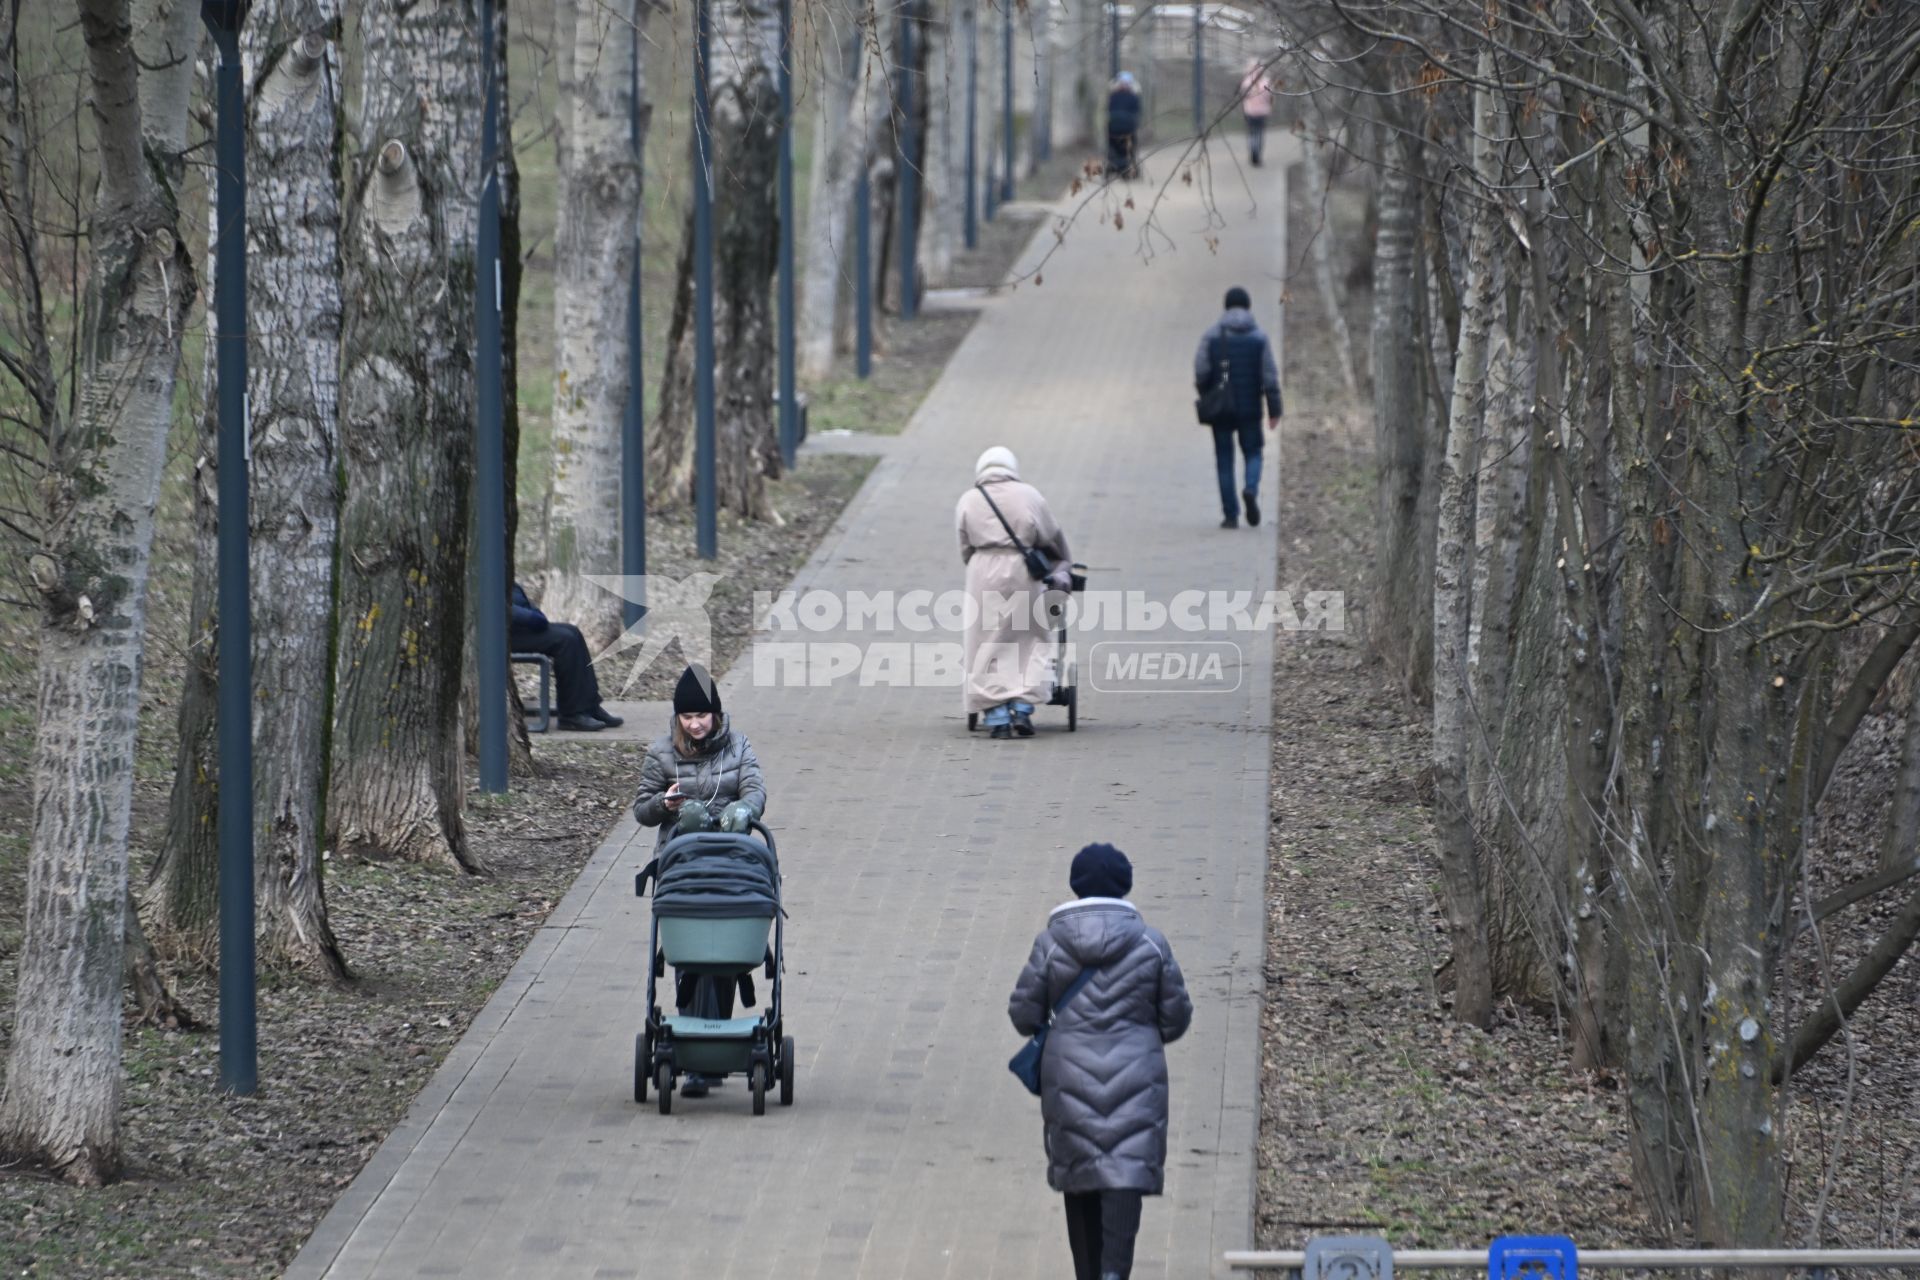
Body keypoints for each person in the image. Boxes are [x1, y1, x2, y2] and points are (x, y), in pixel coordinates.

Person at [1008, 843, 1192, 1280]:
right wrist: (1140, 1034)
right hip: (1137, 1082)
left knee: (1081, 1174)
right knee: (1124, 1173)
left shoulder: (1050, 944)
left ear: (1075, 886)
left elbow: (1023, 1015)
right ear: (1125, 885)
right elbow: (1176, 1017)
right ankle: (1115, 1273)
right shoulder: (1151, 944)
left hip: (1069, 1082)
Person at [631, 663, 768, 1096]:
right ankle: (696, 1057)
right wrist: (664, 804)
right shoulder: (662, 753)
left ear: (716, 714)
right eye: (687, 717)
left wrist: (744, 810)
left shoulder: (738, 746)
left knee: (724, 949)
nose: (695, 724)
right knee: (691, 952)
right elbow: (641, 809)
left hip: (729, 862)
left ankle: (712, 1052)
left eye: (702, 715)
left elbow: (755, 789)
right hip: (683, 864)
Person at [956, 446, 1074, 739]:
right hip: (1023, 572)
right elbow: (1051, 536)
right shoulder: (1029, 495)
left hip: (982, 572)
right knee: (1029, 638)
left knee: (985, 641)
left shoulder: (969, 499)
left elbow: (965, 545)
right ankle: (1022, 707)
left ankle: (996, 715)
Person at [1192, 286, 1282, 529]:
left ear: (1225, 306)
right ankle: (1250, 488)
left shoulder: (1212, 335)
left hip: (1222, 408)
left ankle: (1230, 515)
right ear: (1248, 307)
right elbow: (1270, 377)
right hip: (1250, 407)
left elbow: (1201, 369)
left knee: (1224, 459)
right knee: (1253, 452)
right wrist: (1274, 409)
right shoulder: (1259, 338)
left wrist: (1207, 393)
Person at [508, 582, 622, 731]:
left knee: (573, 631)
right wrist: (531, 617)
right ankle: (571, 714)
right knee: (565, 640)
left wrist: (533, 614)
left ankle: (589, 706)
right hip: (499, 634)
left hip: (512, 626)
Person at [1106, 72, 1142, 179]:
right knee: (1127, 148)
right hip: (1124, 128)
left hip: (1118, 128)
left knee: (1117, 147)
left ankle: (1119, 166)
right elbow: (1137, 112)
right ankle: (1124, 167)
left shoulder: (1113, 96)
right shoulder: (1133, 97)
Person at [1239, 61, 1273, 166]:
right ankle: (1256, 154)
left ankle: (1254, 152)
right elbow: (1270, 97)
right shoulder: (1266, 82)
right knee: (1259, 134)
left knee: (1252, 133)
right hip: (1262, 112)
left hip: (1250, 112)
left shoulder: (1246, 82)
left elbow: (1243, 97)